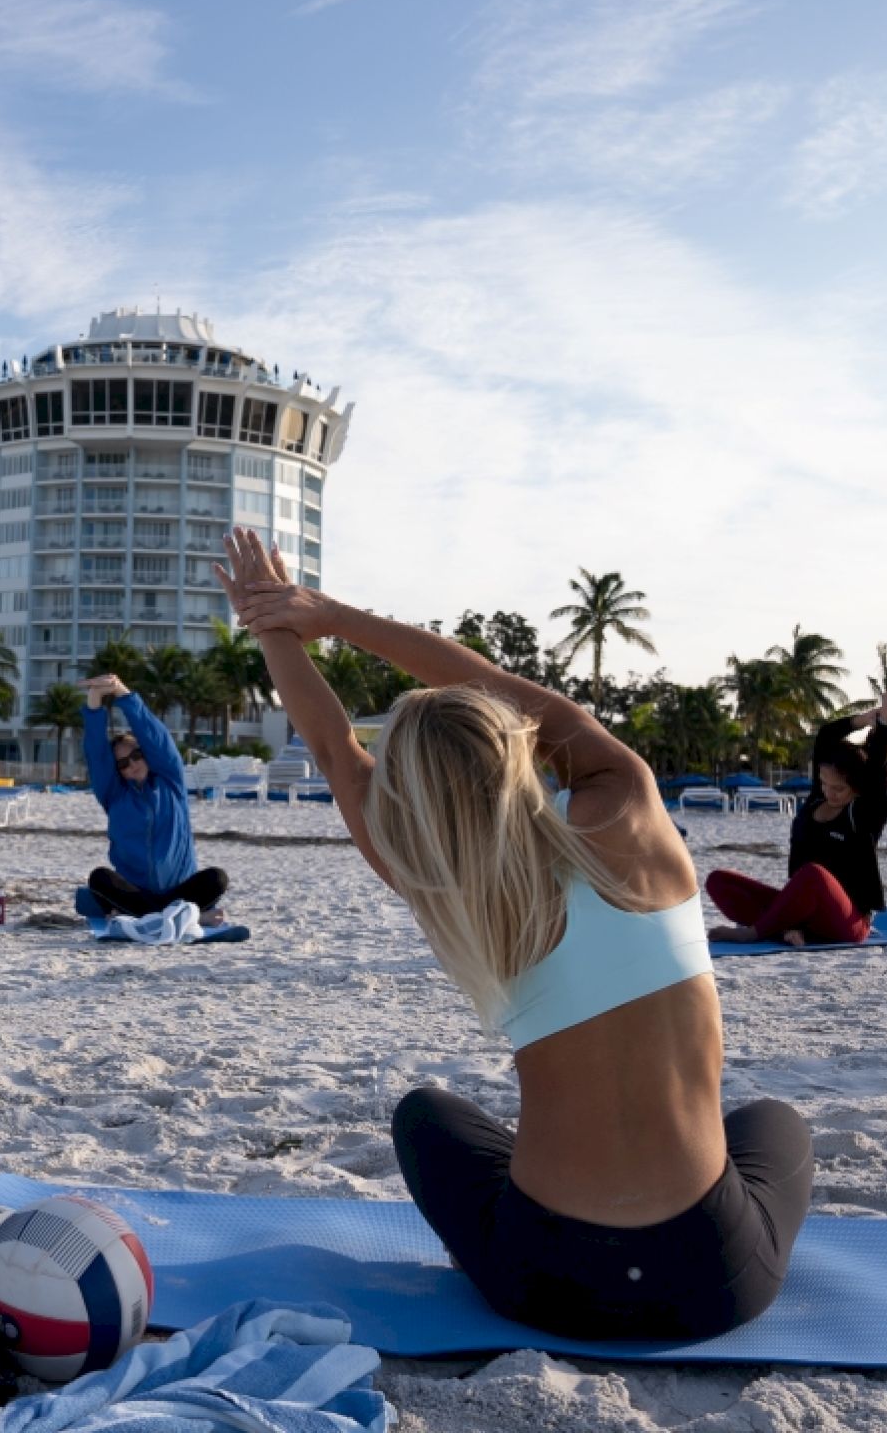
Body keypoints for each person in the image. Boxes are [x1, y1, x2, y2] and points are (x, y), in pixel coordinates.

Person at [215, 529, 811, 1341]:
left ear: (413, 797)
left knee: (426, 1116)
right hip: (714, 1279)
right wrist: (328, 615)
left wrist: (269, 627)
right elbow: (493, 680)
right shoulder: (626, 809)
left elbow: (330, 745)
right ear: (513, 742)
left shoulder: (440, 885)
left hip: (544, 1279)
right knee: (774, 1122)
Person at [707, 696, 887, 947]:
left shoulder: (864, 813)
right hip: (804, 909)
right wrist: (862, 719)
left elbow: (876, 772)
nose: (829, 792)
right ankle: (789, 929)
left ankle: (758, 932)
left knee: (814, 874)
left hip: (849, 920)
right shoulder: (817, 801)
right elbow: (826, 737)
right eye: (824, 783)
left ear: (857, 789)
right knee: (719, 881)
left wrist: (885, 723)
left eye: (838, 788)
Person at [80, 674, 229, 924]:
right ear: (118, 772)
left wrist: (122, 692)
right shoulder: (114, 795)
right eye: (123, 764)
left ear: (146, 753)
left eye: (136, 755)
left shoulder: (171, 782)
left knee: (217, 878)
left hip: (179, 891)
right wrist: (94, 702)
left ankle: (147, 916)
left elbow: (157, 738)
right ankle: (186, 917)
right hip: (139, 893)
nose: (132, 764)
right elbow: (97, 755)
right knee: (100, 878)